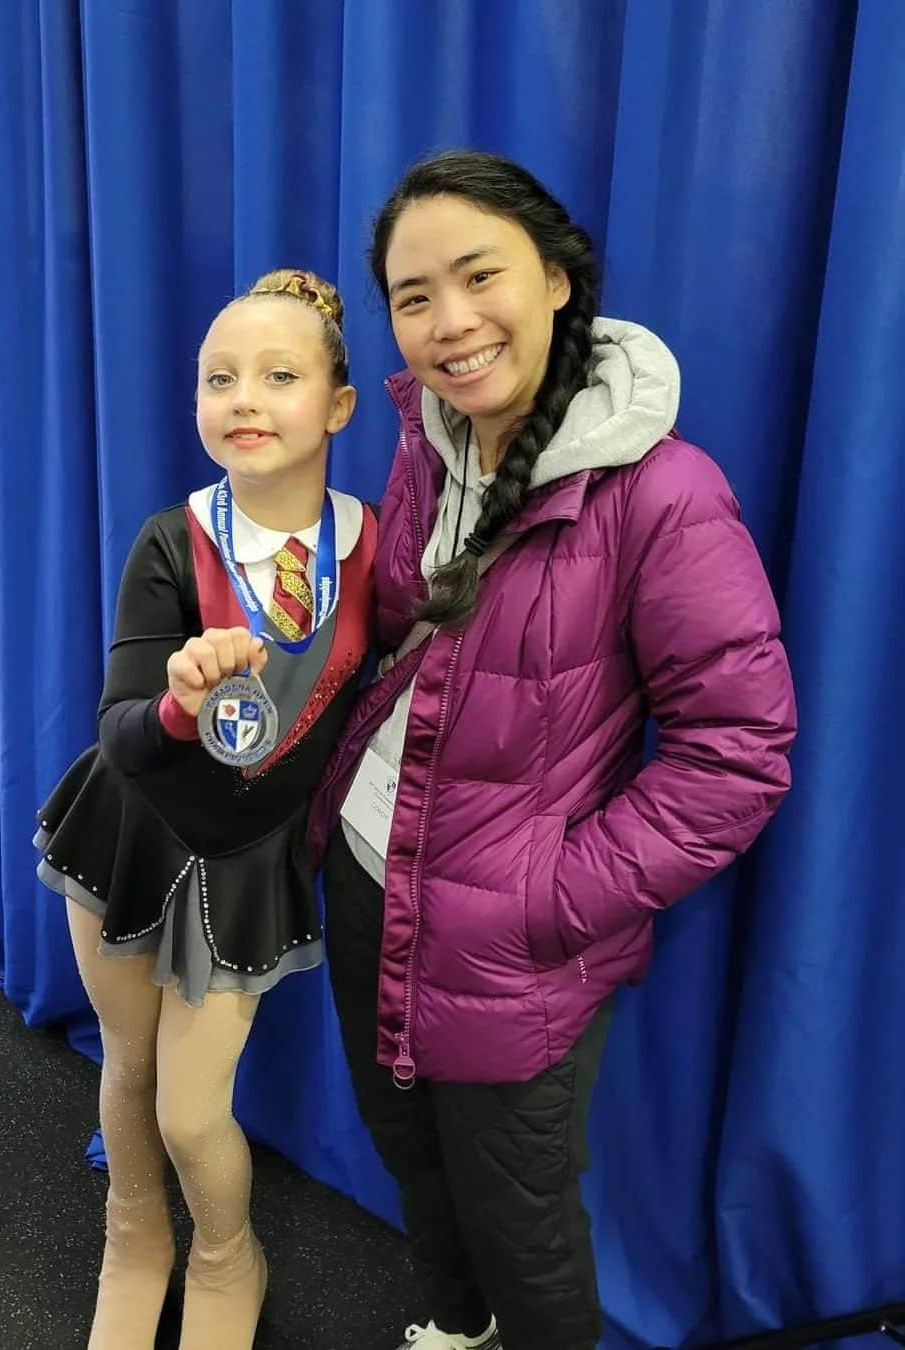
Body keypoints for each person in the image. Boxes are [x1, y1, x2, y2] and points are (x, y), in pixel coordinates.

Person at [308, 150, 797, 1350]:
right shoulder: (430, 441)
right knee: (412, 1161)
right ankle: (456, 1332)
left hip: (512, 942)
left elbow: (739, 752)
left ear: (560, 279)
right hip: (371, 876)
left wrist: (549, 898)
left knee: (520, 1222)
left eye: (480, 277)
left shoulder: (664, 494)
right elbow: (419, 636)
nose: (451, 322)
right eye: (415, 297)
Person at [34, 269, 375, 1350]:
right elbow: (119, 730)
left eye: (280, 375)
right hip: (128, 831)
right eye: (219, 377)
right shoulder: (173, 539)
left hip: (246, 865)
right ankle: (135, 1237)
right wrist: (179, 704)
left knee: (191, 1108)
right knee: (128, 1066)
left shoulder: (377, 552)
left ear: (339, 404)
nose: (244, 398)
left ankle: (230, 1252)